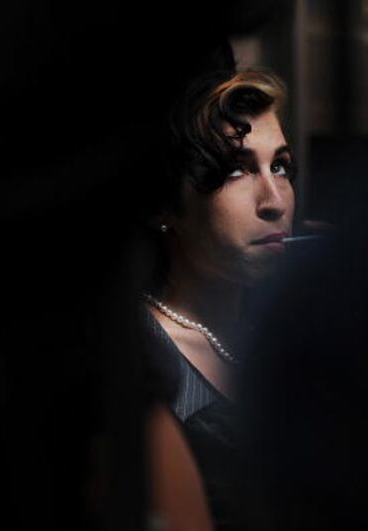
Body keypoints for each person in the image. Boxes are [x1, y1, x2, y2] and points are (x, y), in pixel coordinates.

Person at [139, 68, 295, 530]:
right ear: (165, 204)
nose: (274, 201)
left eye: (280, 166)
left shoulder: (294, 330)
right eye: (236, 170)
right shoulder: (141, 356)